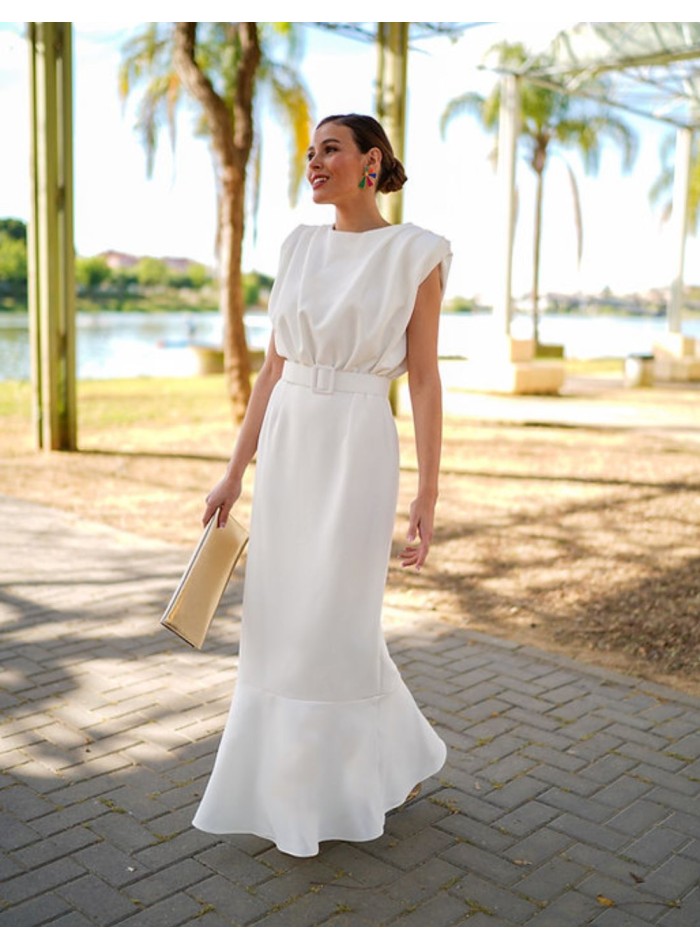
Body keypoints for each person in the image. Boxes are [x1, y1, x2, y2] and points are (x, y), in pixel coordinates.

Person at [192, 113, 452, 858]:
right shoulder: (298, 246)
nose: (314, 161)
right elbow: (272, 371)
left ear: (372, 162)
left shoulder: (417, 252)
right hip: (289, 443)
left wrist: (427, 495)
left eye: (330, 149)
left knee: (335, 621)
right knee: (282, 622)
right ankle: (338, 777)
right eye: (309, 151)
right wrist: (233, 471)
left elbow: (427, 382)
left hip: (359, 442)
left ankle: (337, 788)